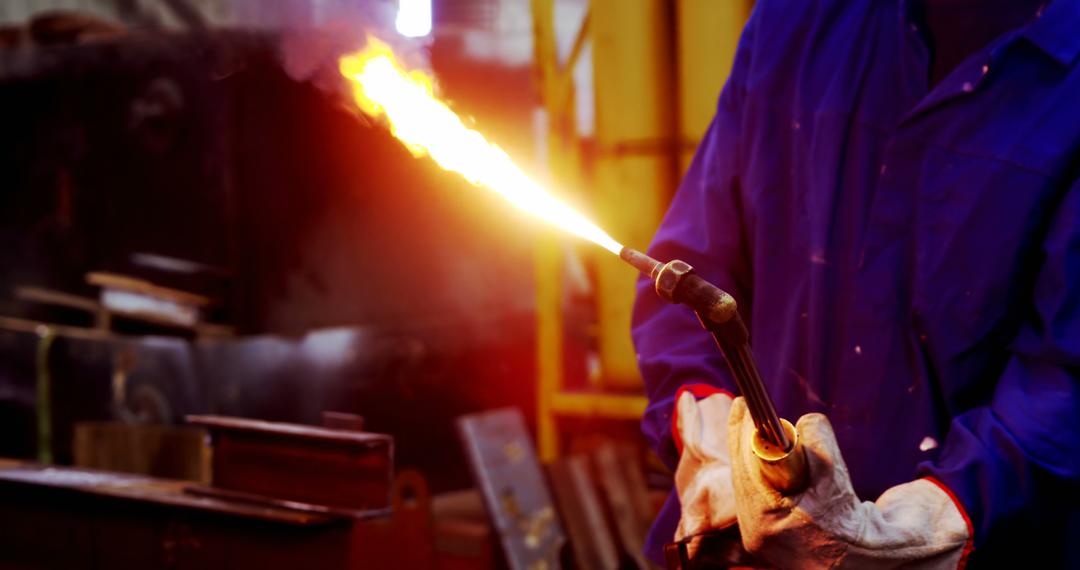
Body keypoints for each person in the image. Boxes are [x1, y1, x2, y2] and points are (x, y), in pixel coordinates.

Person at [632, 0, 1080, 566]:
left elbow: (1065, 381)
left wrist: (943, 515)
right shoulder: (796, 19)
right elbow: (685, 274)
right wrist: (710, 436)